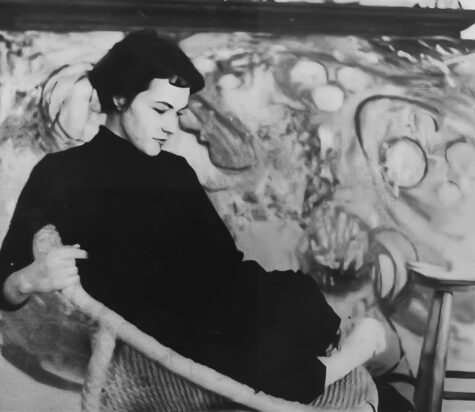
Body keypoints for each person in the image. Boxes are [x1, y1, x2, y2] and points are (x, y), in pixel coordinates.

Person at [0, 29, 385, 404]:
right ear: (119, 98)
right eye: (160, 110)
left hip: (213, 308)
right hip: (156, 334)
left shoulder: (175, 169)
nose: (170, 127)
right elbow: (6, 277)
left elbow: (227, 264)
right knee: (253, 359)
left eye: (178, 112)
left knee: (291, 295)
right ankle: (356, 351)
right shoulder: (61, 173)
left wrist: (263, 305)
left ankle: (322, 354)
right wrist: (29, 278)